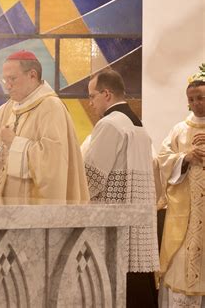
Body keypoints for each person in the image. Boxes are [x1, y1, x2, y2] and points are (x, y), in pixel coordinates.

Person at [0, 50, 89, 202]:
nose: (8, 86)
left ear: (32, 75)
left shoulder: (50, 107)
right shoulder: (11, 106)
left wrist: (15, 143)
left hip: (34, 207)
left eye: (12, 79)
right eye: (5, 80)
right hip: (8, 208)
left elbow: (52, 165)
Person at [81, 69, 159, 307]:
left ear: (106, 94)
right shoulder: (138, 126)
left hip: (115, 227)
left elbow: (90, 178)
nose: (90, 103)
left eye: (92, 96)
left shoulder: (110, 124)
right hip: (138, 231)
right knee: (138, 290)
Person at [157, 63, 205, 307]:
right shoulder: (179, 130)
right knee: (182, 263)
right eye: (191, 99)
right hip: (186, 216)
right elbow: (162, 161)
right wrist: (186, 157)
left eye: (201, 98)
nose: (196, 103)